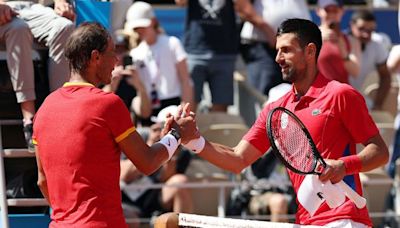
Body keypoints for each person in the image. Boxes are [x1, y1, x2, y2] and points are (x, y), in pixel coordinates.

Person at [179, 18, 389, 227]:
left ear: (309, 51)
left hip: (344, 220)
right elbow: (237, 159)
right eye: (277, 50)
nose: (278, 57)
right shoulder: (274, 110)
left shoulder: (340, 94)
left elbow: (380, 152)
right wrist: (193, 140)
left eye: (286, 50)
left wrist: (344, 165)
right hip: (305, 221)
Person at [32, 22, 198, 227]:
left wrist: (70, 216)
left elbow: (42, 181)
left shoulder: (44, 108)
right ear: (96, 57)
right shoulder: (108, 104)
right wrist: (176, 134)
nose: (117, 59)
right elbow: (147, 162)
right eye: (112, 52)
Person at [0, 0, 75, 151]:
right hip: (7, 14)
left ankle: (59, 116)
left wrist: (60, 1)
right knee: (19, 29)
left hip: (34, 9)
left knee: (65, 27)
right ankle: (29, 121)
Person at [120, 107, 193, 227]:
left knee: (181, 181)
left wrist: (171, 152)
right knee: (130, 219)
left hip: (154, 196)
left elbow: (164, 179)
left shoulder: (183, 151)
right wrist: (148, 146)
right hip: (127, 196)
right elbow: (124, 176)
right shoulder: (141, 135)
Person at [126, 1, 194, 126]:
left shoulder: (173, 43)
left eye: (142, 26)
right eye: (136, 28)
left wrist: (187, 113)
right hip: (148, 105)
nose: (139, 30)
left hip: (174, 103)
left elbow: (186, 81)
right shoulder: (135, 53)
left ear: (153, 21)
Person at [237, 0, 311, 96]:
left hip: (298, 47)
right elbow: (241, 4)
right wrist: (266, 29)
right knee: (264, 95)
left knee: (298, 95)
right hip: (263, 46)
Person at [348, 9, 391, 110]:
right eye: (361, 29)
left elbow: (385, 77)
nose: (366, 34)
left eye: (371, 30)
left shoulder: (377, 45)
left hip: (360, 102)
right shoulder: (339, 42)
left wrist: (378, 104)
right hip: (334, 100)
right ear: (351, 25)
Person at [316, 0, 361, 84]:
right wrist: (317, 40)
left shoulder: (351, 40)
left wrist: (342, 48)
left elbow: (355, 72)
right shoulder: (309, 36)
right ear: (318, 11)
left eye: (335, 10)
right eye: (328, 10)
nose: (332, 14)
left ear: (342, 11)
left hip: (341, 92)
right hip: (317, 92)